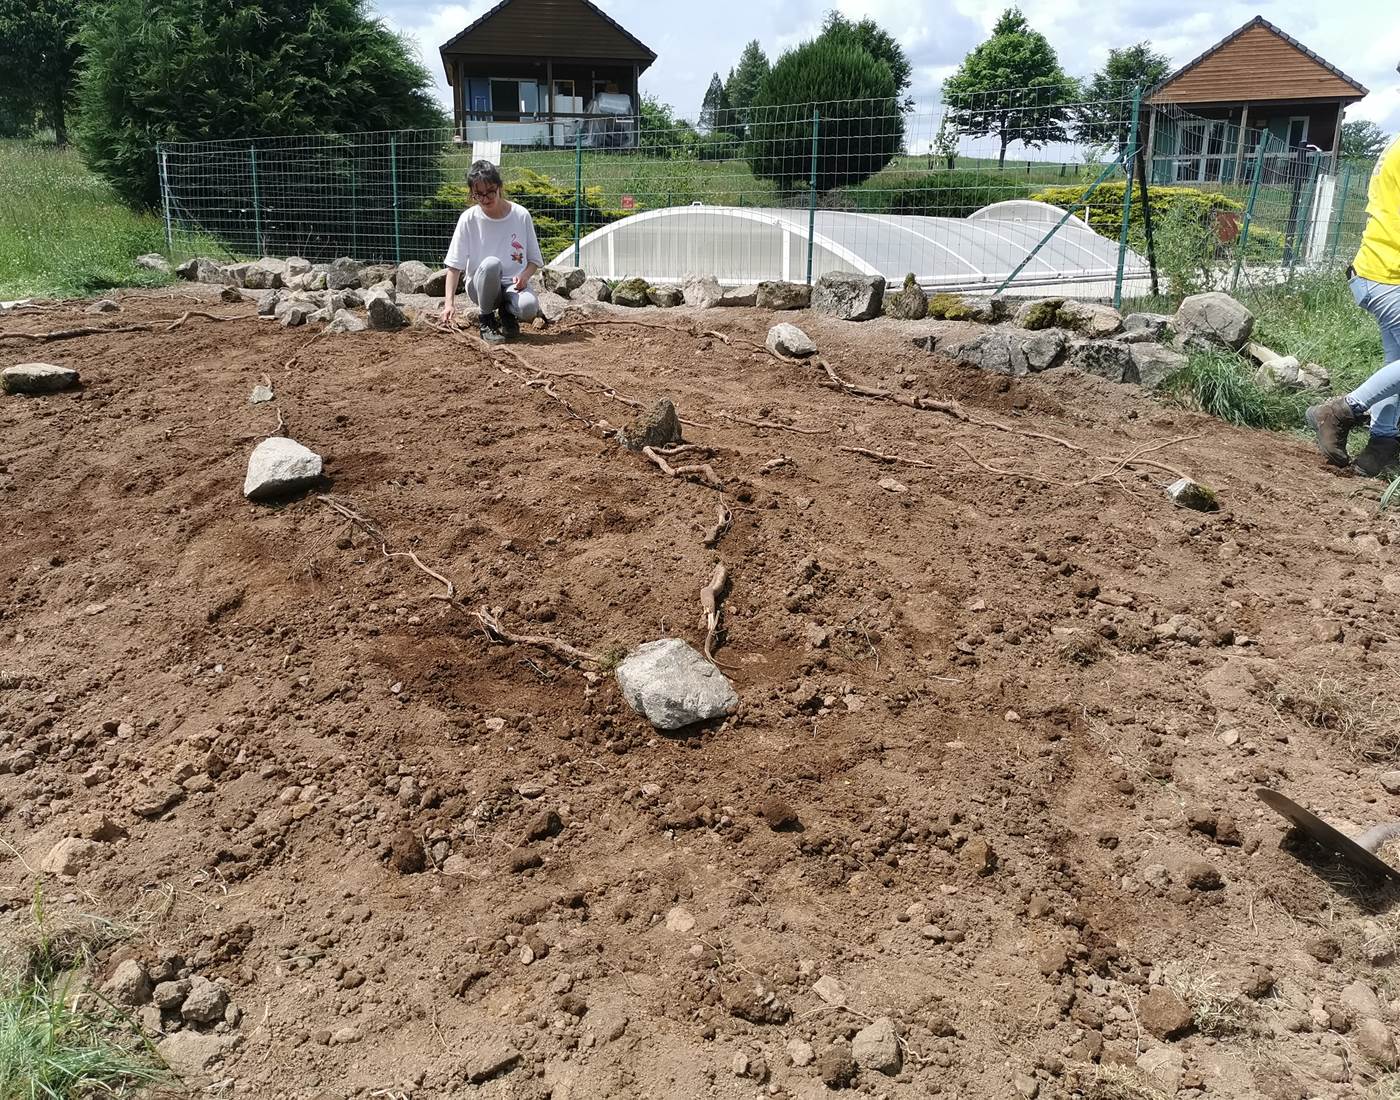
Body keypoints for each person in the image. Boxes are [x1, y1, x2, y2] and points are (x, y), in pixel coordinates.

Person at [1307, 134, 1400, 476]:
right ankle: (1338, 411)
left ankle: (1382, 446)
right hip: (1390, 274)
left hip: (1379, 270)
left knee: (1396, 366)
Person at [440, 160, 543, 344]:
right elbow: (454, 267)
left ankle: (507, 314)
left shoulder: (521, 215)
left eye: (490, 192)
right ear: (472, 193)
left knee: (529, 307)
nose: (485, 199)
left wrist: (525, 277)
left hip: (512, 285)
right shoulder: (468, 219)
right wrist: (449, 304)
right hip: (479, 286)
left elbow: (534, 260)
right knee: (491, 264)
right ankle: (486, 320)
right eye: (478, 195)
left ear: (499, 187)